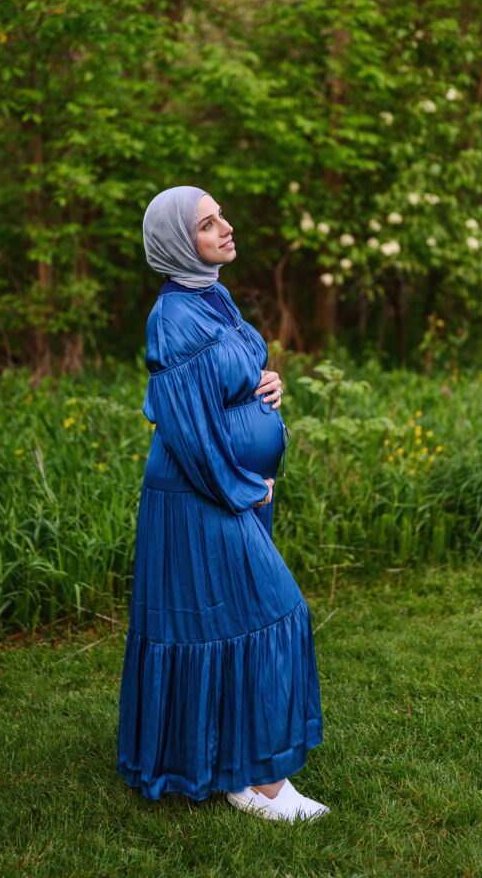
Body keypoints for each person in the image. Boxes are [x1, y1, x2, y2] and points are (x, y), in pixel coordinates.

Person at [116, 185, 328, 823]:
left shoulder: (212, 294)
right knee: (273, 611)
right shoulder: (172, 318)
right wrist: (241, 483)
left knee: (224, 626)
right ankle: (256, 785)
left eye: (220, 217)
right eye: (208, 225)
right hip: (199, 495)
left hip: (227, 489)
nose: (225, 228)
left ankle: (241, 769)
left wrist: (270, 381)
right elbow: (187, 429)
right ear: (181, 242)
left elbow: (231, 378)